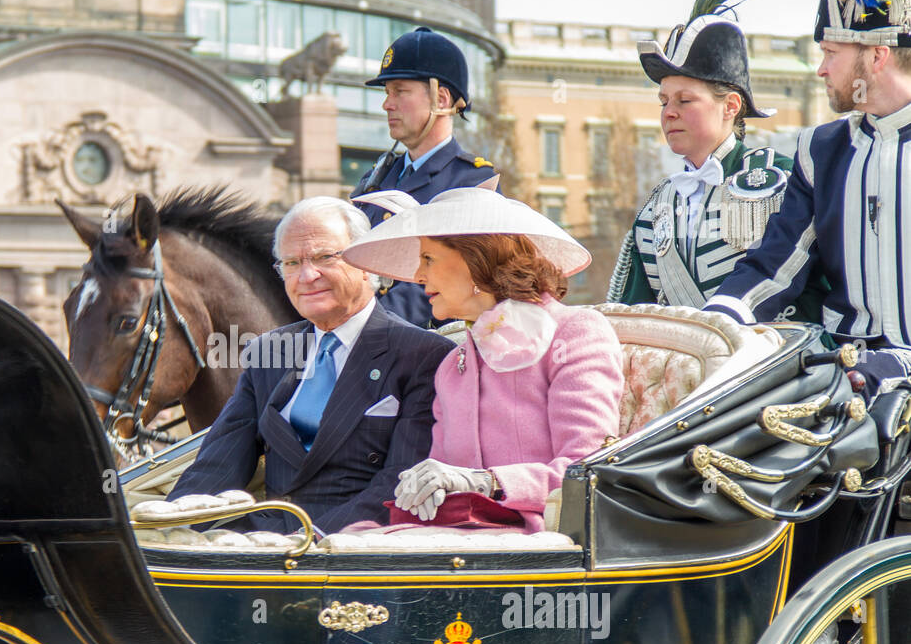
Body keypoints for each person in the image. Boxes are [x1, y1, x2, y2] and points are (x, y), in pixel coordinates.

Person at [343, 187, 623, 533]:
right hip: (463, 545)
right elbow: (448, 481)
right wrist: (421, 496)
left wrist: (485, 481)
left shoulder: (575, 332)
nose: (417, 275)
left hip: (544, 550)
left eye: (427, 258)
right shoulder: (453, 365)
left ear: (477, 261)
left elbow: (588, 472)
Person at [169, 196, 454, 533]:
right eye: (291, 263)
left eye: (323, 257)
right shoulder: (269, 352)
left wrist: (308, 543)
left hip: (354, 556)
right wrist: (168, 528)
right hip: (263, 548)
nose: (306, 275)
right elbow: (215, 467)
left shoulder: (423, 355)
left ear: (366, 264)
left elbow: (398, 486)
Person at [705, 0, 911, 397]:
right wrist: (713, 325)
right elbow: (776, 265)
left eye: (831, 52)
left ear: (876, 56)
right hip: (844, 381)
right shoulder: (820, 150)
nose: (820, 69)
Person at [607, 0, 823, 317]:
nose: (669, 112)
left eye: (685, 100)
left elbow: (814, 291)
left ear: (731, 106)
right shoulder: (656, 206)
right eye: (664, 101)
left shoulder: (783, 179)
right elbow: (631, 309)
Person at [351, 27, 498, 328]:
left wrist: (362, 326)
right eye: (387, 92)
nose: (387, 104)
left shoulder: (472, 181)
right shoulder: (374, 178)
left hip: (424, 351)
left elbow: (445, 283)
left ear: (441, 99)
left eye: (400, 91)